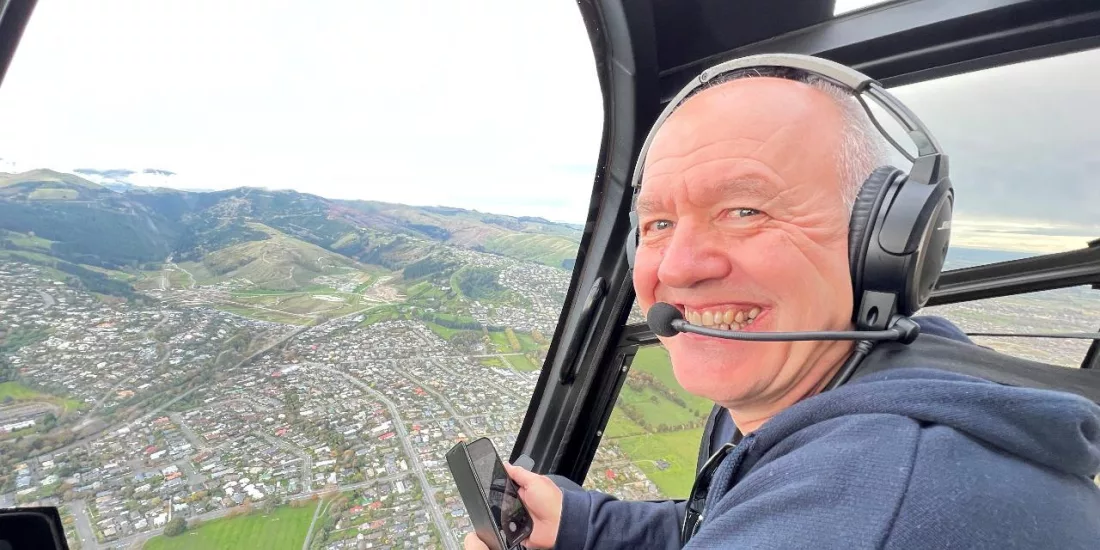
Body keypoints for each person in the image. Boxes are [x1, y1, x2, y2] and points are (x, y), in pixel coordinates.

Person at [463, 61, 1100, 549]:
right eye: (657, 224)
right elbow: (721, 520)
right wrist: (582, 523)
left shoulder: (867, 512)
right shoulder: (845, 380)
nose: (679, 267)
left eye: (745, 211)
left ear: (887, 244)